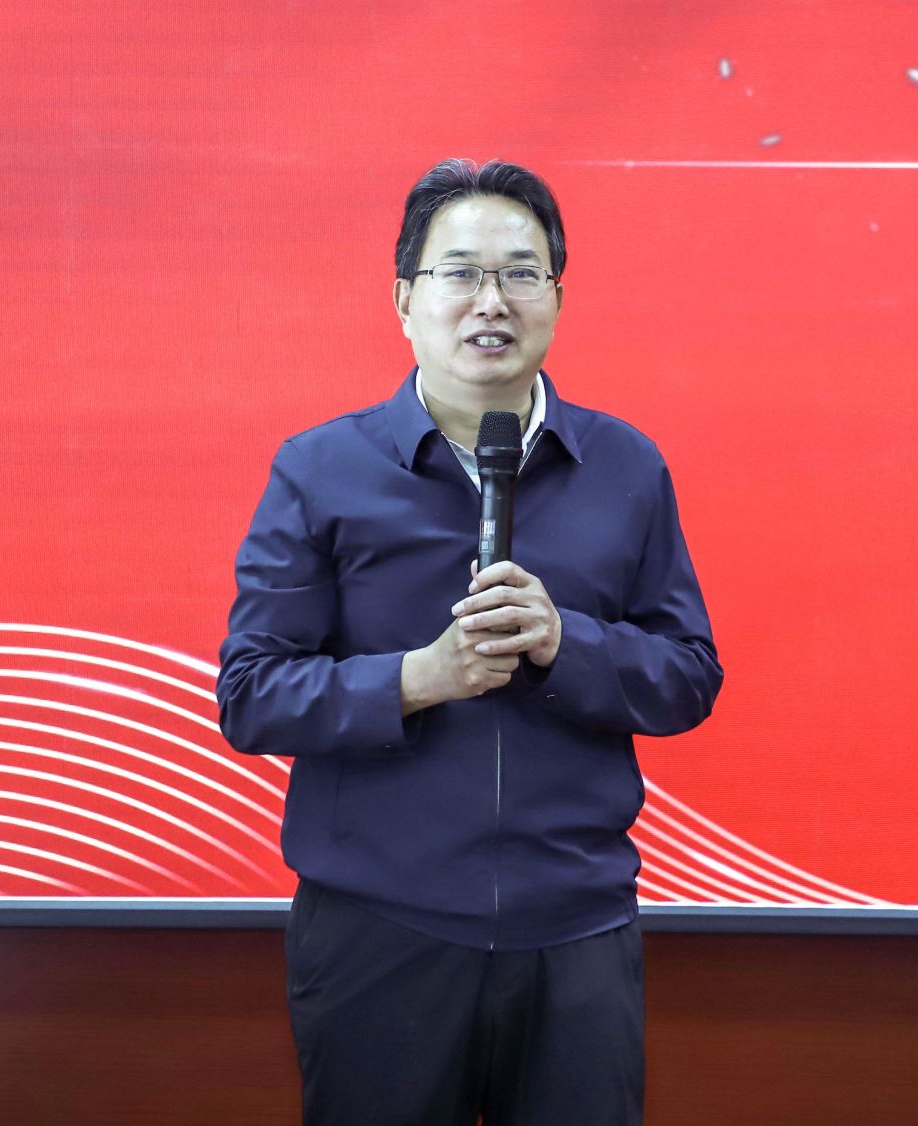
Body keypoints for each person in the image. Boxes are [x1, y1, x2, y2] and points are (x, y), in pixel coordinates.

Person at [217, 157, 722, 1126]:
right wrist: (419, 677)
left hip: (575, 930)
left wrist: (566, 644)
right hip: (379, 931)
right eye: (459, 272)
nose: (491, 300)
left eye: (521, 273)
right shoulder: (321, 469)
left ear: (557, 298)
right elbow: (252, 694)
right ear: (405, 300)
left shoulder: (624, 465)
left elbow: (688, 676)